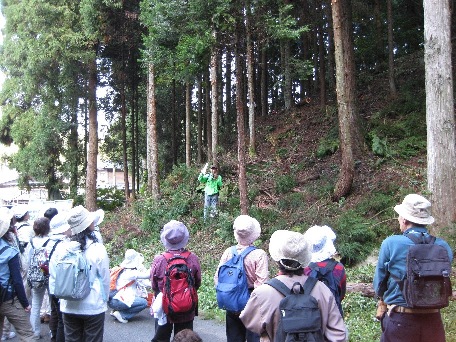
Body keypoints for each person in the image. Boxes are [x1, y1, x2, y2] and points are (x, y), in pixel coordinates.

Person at [239, 230, 346, 341]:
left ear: (278, 259)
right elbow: (338, 334)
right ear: (306, 259)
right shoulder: (322, 290)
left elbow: (250, 322)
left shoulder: (262, 293)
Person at [373, 194, 453, 342]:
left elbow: (379, 285)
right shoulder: (443, 247)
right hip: (433, 321)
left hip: (401, 320)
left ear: (404, 219)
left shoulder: (391, 244)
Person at [49, 205, 110, 342]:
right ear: (88, 224)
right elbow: (105, 278)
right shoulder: (97, 249)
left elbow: (54, 276)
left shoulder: (61, 248)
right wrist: (105, 298)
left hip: (68, 305)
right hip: (93, 305)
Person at [214, 215, 268, 342]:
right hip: (251, 300)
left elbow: (217, 278)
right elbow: (262, 283)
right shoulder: (259, 255)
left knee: (233, 338)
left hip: (231, 299)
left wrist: (229, 294)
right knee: (253, 338)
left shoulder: (228, 252)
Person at [150, 220, 202, 342]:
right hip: (186, 305)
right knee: (185, 338)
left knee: (161, 338)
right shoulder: (192, 258)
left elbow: (153, 283)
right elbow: (197, 282)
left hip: (165, 305)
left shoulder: (160, 259)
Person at [0, 213, 37, 341]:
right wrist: (25, 303)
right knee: (27, 334)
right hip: (8, 299)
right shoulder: (9, 251)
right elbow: (17, 280)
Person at [303, 225, 347, 316]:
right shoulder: (339, 268)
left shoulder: (304, 269)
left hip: (309, 318)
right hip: (334, 317)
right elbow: (341, 295)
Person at [28, 217, 59, 338]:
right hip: (48, 275)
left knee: (36, 304)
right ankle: (53, 330)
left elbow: (29, 259)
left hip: (35, 277)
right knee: (53, 305)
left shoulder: (31, 242)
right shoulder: (51, 242)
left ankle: (35, 332)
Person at [108, 249, 150, 323]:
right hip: (117, 301)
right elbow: (148, 275)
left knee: (136, 298)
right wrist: (156, 264)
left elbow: (144, 283)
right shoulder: (131, 273)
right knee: (143, 302)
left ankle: (116, 310)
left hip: (112, 299)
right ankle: (122, 314)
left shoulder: (122, 269)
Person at [48, 213, 71, 342]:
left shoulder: (49, 241)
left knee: (55, 315)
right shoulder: (63, 244)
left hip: (51, 284)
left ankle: (53, 337)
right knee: (63, 320)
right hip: (61, 286)